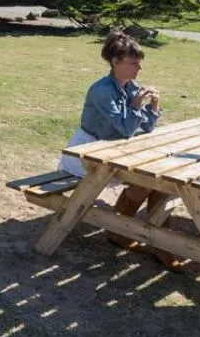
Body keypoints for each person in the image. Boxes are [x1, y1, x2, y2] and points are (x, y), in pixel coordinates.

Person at [60, 31, 173, 257]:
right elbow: (126, 128)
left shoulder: (130, 86)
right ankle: (124, 234)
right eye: (133, 63)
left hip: (114, 151)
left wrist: (153, 105)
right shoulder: (102, 91)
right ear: (115, 62)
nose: (138, 69)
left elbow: (146, 127)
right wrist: (138, 104)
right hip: (86, 155)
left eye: (139, 64)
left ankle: (160, 244)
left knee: (158, 180)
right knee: (147, 181)